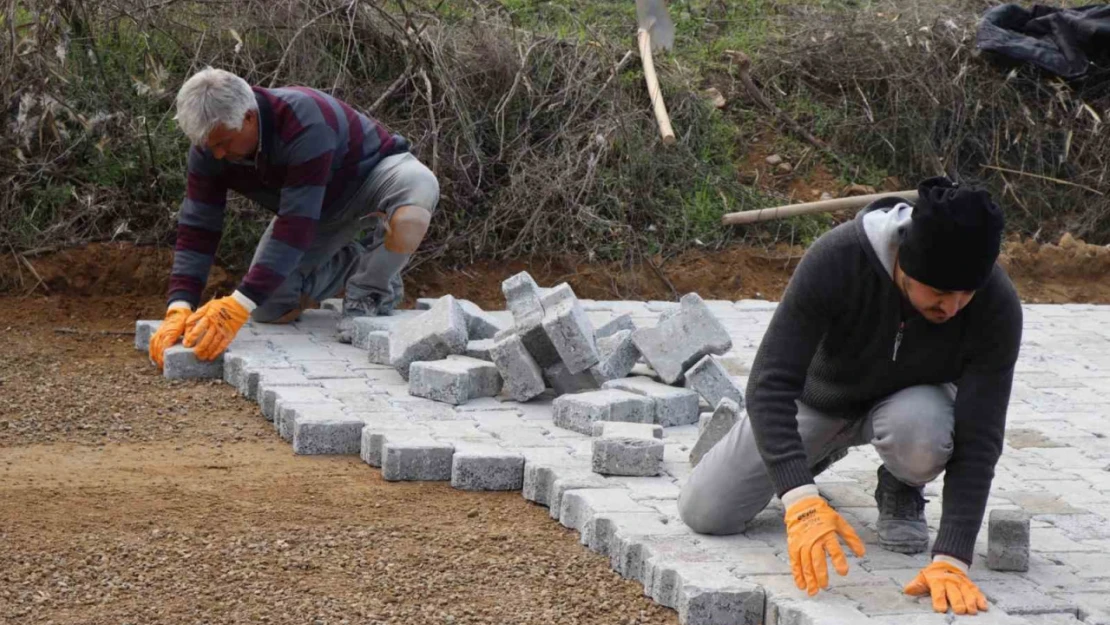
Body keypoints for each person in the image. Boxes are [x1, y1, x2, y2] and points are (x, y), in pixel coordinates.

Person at [677, 177, 1023, 616]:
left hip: (910, 412)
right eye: (939, 293)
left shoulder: (996, 305)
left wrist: (952, 558)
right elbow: (769, 383)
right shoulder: (837, 258)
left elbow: (981, 435)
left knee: (922, 433)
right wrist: (800, 498)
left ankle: (901, 481)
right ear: (905, 264)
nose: (952, 308)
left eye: (964, 295)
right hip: (820, 401)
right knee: (706, 512)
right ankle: (812, 458)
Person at [148, 67, 439, 368]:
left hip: (373, 177)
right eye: (210, 146)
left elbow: (295, 226)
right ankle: (358, 259)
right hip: (318, 207)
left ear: (248, 117)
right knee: (269, 308)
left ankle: (372, 291)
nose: (218, 154)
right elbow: (199, 227)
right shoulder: (209, 148)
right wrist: (179, 304)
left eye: (224, 142)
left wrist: (238, 303)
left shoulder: (303, 121)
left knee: (414, 206)